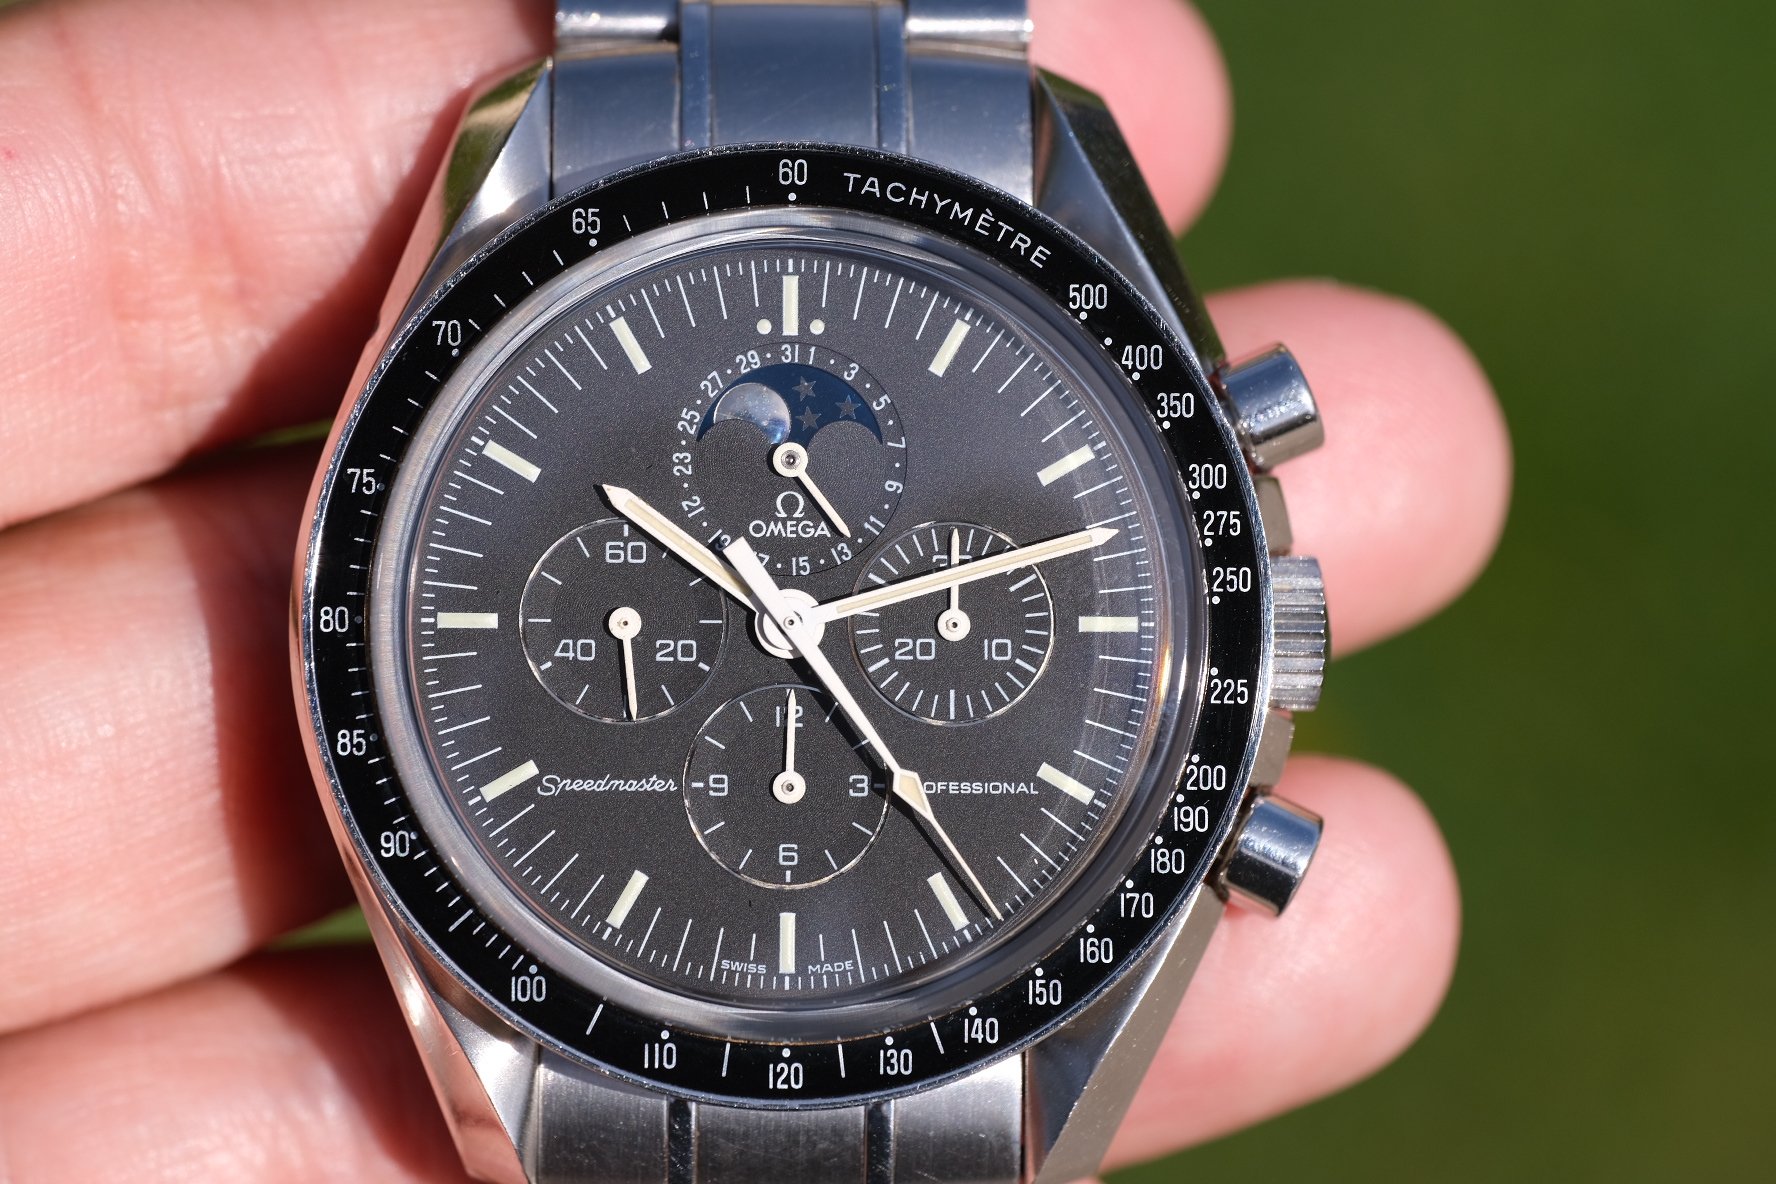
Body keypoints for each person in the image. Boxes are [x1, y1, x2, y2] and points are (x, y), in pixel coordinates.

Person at [0, 0, 1509, 1176]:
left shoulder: (992, 156)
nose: (786, 623)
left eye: (801, 617)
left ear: (1260, 633)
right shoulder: (976, 155)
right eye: (782, 617)